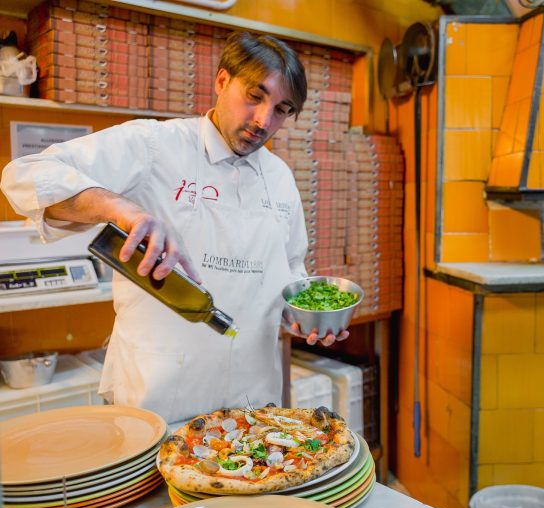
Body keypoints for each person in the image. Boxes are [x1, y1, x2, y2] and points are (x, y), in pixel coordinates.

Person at [0, 32, 347, 424]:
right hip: (158, 400)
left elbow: (289, 273)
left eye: (282, 109)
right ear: (221, 81)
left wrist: (303, 317)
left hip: (254, 404)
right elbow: (25, 176)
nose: (264, 121)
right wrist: (119, 208)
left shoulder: (280, 176)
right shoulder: (154, 145)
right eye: (255, 96)